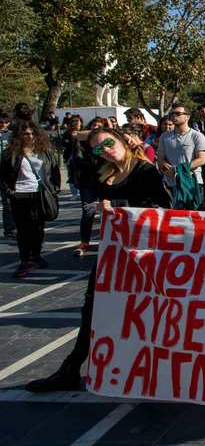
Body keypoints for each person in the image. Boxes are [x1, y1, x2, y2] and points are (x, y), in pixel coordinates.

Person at [26, 126, 172, 392]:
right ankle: (71, 368)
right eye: (97, 148)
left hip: (143, 255)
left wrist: (119, 208)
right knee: (91, 307)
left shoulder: (145, 170)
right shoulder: (104, 175)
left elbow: (167, 209)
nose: (104, 149)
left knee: (146, 310)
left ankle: (154, 366)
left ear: (122, 141)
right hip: (111, 252)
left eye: (108, 142)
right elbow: (80, 139)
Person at [0, 121, 60, 277]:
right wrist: (9, 192)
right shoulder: (10, 152)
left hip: (40, 192)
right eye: (26, 134)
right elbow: (3, 175)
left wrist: (54, 190)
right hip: (19, 193)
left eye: (33, 133)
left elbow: (54, 171)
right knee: (23, 229)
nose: (30, 137)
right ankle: (25, 259)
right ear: (20, 135)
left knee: (38, 227)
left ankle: (36, 255)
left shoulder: (45, 151)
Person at [156, 103, 205, 210]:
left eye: (178, 113)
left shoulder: (197, 136)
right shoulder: (165, 136)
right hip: (170, 183)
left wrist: (177, 169)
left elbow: (201, 160)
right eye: (172, 114)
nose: (174, 116)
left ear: (188, 116)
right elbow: (160, 158)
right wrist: (167, 169)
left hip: (192, 182)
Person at [69, 117, 107, 256]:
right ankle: (84, 241)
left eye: (99, 125)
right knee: (88, 212)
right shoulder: (80, 142)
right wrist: (97, 168)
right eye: (94, 124)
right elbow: (77, 160)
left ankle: (107, 241)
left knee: (107, 212)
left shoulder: (107, 142)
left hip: (104, 181)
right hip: (87, 182)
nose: (96, 127)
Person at [0, 113, 16, 239]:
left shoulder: (10, 135)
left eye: (5, 122)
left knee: (8, 202)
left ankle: (10, 229)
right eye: (1, 122)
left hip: (6, 172)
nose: (3, 125)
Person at [61, 115, 84, 200]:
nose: (75, 123)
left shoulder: (84, 131)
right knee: (71, 174)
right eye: (73, 121)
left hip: (82, 155)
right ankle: (74, 193)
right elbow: (64, 143)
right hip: (70, 155)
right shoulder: (67, 133)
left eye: (77, 121)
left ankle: (82, 191)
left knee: (82, 174)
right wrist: (72, 138)